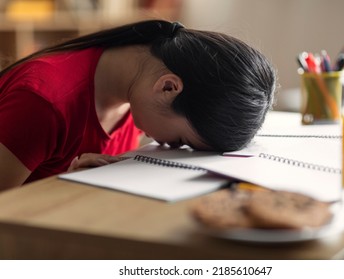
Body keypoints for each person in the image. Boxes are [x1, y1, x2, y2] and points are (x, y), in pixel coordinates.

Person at [0, 19, 276, 190]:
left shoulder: (136, 94)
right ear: (168, 87)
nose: (172, 148)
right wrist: (63, 186)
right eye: (181, 140)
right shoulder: (43, 102)